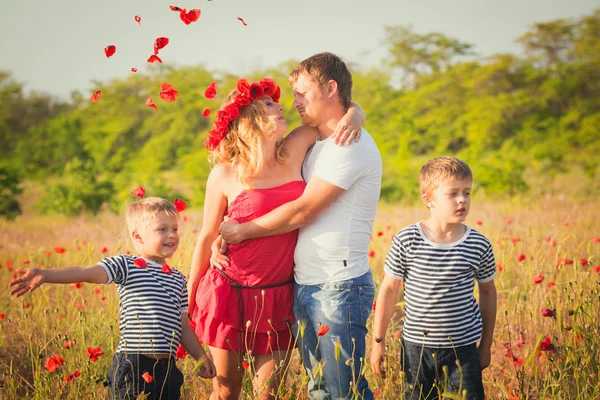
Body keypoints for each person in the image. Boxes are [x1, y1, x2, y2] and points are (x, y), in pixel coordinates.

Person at [187, 76, 366, 400]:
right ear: (248, 119)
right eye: (269, 104)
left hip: (278, 297)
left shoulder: (296, 147)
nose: (281, 105)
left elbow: (336, 113)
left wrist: (356, 114)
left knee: (268, 394)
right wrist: (185, 302)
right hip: (228, 293)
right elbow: (205, 237)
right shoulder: (225, 173)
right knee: (227, 391)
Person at [8, 197, 216, 400]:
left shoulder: (178, 278)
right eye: (162, 229)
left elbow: (183, 326)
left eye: (174, 229)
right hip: (133, 364)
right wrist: (46, 275)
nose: (172, 234)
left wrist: (201, 357)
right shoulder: (126, 265)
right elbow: (86, 273)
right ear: (138, 236)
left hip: (167, 368)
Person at [370, 156, 497, 400]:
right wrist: (379, 341)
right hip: (417, 349)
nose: (462, 199)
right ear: (428, 199)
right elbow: (388, 289)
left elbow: (488, 292)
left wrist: (486, 345)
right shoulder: (407, 240)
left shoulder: (478, 244)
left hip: (463, 348)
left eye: (467, 193)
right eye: (453, 194)